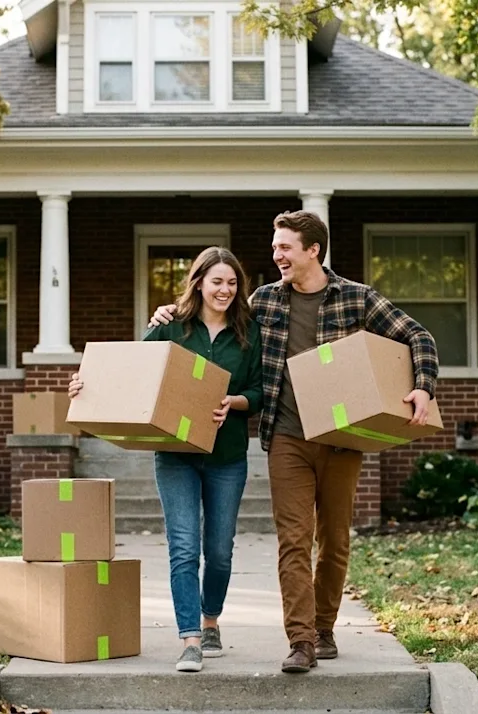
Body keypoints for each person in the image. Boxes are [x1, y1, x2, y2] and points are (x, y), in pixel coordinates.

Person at [150, 211, 437, 673]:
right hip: (286, 436)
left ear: (312, 251)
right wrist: (169, 311)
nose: (276, 254)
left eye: (284, 247)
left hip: (341, 439)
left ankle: (324, 628)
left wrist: (422, 385)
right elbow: (207, 315)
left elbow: (416, 335)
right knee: (294, 541)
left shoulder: (357, 299)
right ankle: (300, 640)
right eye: (275, 246)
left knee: (335, 540)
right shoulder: (264, 301)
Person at [69, 246, 263, 673]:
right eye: (217, 282)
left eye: (232, 283)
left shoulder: (249, 332)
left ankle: (211, 620)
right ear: (198, 283)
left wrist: (237, 401)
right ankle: (190, 638)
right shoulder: (171, 327)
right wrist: (86, 385)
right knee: (182, 548)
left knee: (220, 550)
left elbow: (262, 391)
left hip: (226, 455)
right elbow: (131, 374)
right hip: (174, 455)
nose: (225, 290)